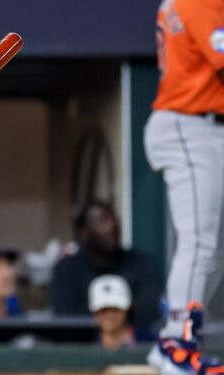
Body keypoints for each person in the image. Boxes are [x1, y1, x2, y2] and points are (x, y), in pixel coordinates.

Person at [143, 0, 224, 373]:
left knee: (215, 248)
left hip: (202, 124)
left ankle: (181, 337)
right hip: (189, 124)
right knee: (199, 241)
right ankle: (176, 343)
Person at [51, 201, 163, 331]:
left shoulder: (143, 264)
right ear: (83, 232)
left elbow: (149, 313)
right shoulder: (66, 270)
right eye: (100, 221)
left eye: (112, 219)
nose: (110, 226)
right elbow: (66, 319)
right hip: (83, 346)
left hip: (134, 345)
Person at [89, 275, 152, 350]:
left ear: (128, 308)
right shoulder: (86, 346)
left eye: (116, 309)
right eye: (103, 310)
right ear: (94, 312)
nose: (110, 316)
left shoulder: (150, 343)